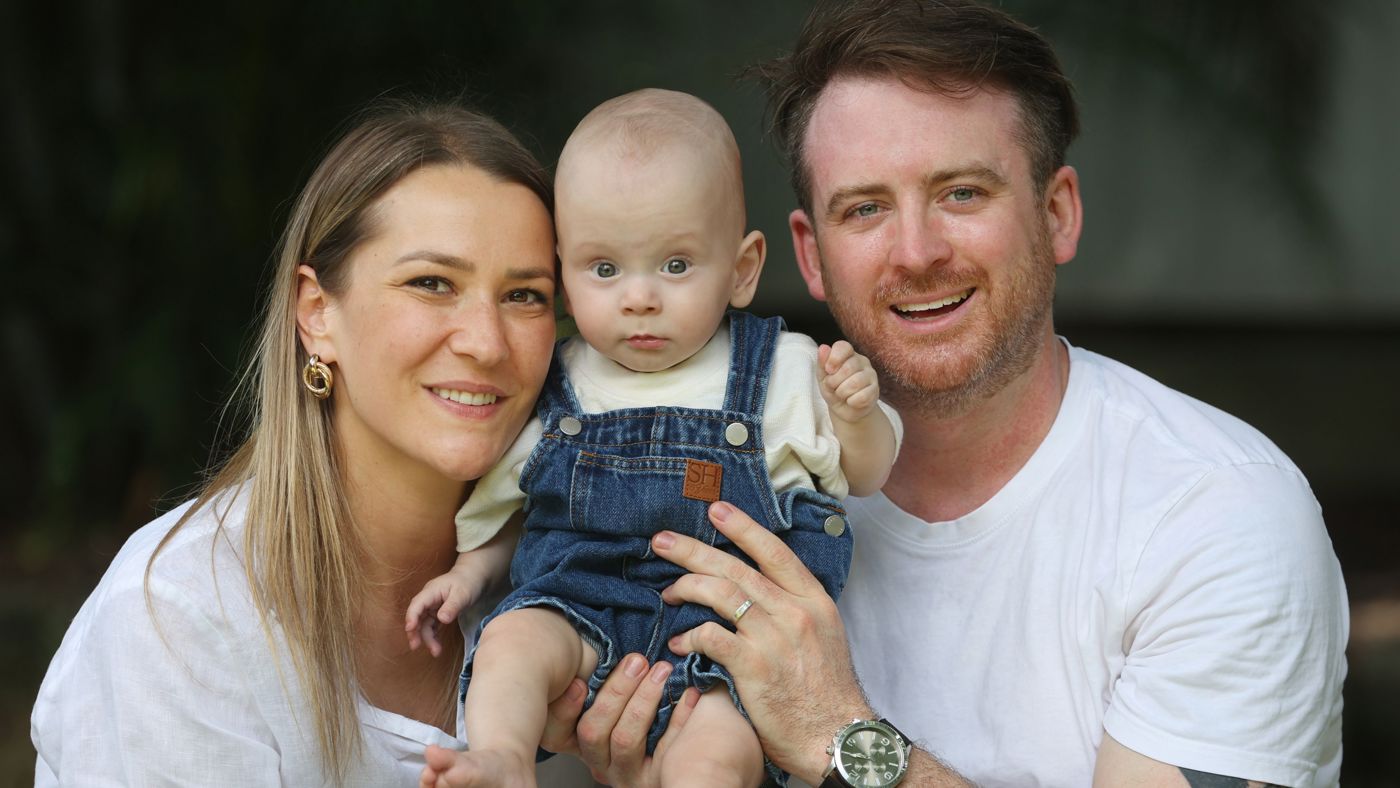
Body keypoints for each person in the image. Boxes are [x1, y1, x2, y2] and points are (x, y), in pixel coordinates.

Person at [549, 2, 1350, 787]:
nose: (917, 252)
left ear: (1058, 213)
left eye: (962, 193)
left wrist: (843, 740)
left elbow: (824, 733)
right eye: (864, 209)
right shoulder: (728, 481)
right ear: (813, 256)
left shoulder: (1215, 513)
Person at [30, 101, 597, 786]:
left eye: (526, 296)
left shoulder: (583, 575)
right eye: (432, 283)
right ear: (316, 312)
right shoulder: (184, 615)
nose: (485, 341)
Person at [409, 88, 900, 788]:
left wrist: (855, 417)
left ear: (742, 269)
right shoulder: (555, 384)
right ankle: (502, 760)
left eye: (674, 265)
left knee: (718, 756)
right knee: (513, 641)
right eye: (604, 269)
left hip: (730, 648)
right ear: (563, 276)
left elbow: (868, 474)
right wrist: (467, 576)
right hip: (577, 609)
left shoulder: (783, 371)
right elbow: (515, 514)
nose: (639, 297)